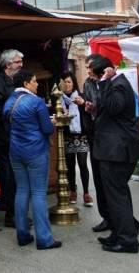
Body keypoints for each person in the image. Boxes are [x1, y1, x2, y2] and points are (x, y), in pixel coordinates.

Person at [2, 69, 60, 250]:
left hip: (16, 152)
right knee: (38, 193)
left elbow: (7, 128)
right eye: (34, 81)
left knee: (21, 191)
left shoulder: (8, 103)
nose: (37, 84)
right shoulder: (36, 102)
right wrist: (53, 123)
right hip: (36, 151)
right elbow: (47, 129)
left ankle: (22, 234)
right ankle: (44, 239)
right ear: (26, 83)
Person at [89, 56, 139, 254]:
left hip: (116, 151)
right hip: (114, 149)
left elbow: (114, 107)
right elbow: (110, 110)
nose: (87, 71)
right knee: (117, 195)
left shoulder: (117, 84)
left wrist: (103, 83)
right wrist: (94, 107)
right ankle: (121, 232)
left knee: (117, 196)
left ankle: (128, 240)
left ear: (103, 70)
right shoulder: (115, 84)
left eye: (89, 68)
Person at [0, 49, 23, 227]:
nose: (21, 64)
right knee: (8, 174)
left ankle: (15, 211)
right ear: (8, 64)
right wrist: (13, 114)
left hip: (15, 135)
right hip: (2, 136)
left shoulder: (16, 80)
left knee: (15, 174)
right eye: (17, 62)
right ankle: (11, 214)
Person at [83, 55, 109, 233]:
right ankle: (106, 216)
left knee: (110, 180)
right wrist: (88, 106)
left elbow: (109, 105)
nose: (88, 71)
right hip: (94, 132)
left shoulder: (111, 83)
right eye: (86, 68)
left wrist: (95, 107)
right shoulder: (87, 83)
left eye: (90, 68)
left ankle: (118, 219)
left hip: (108, 135)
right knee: (98, 178)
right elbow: (94, 104)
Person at [61, 72, 93, 207]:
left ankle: (86, 193)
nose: (67, 85)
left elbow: (89, 113)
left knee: (82, 164)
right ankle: (73, 191)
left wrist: (83, 104)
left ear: (73, 83)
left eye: (69, 82)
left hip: (81, 135)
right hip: (68, 136)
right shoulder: (59, 99)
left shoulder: (81, 97)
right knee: (69, 166)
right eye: (64, 82)